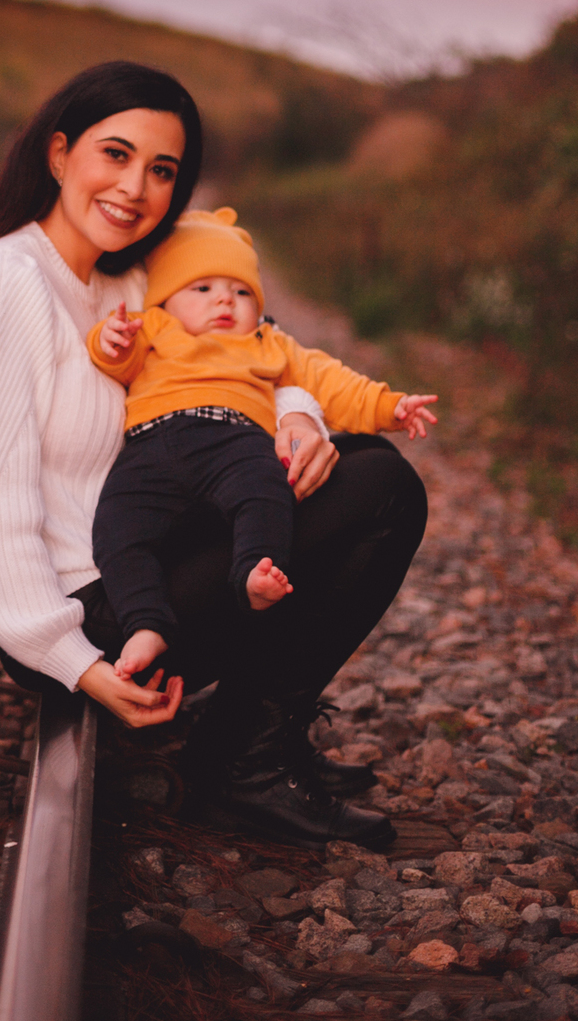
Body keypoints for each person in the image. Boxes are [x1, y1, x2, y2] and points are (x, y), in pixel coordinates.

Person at [0, 61, 430, 848]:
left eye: (162, 170)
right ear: (58, 155)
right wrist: (73, 660)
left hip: (148, 557)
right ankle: (243, 765)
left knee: (364, 465)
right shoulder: (1, 287)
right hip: (94, 613)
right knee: (382, 488)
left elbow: (254, 354)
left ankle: (256, 745)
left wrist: (299, 416)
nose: (135, 188)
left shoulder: (126, 283)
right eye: (114, 155)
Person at [87, 207, 437, 688]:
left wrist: (389, 406)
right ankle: (145, 623)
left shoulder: (268, 342)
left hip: (235, 441)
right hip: (152, 448)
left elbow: (329, 381)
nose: (224, 301)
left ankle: (255, 570)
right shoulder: (154, 328)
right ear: (166, 299)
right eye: (203, 289)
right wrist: (110, 340)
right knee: (117, 530)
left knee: (265, 494)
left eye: (242, 291)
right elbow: (115, 359)